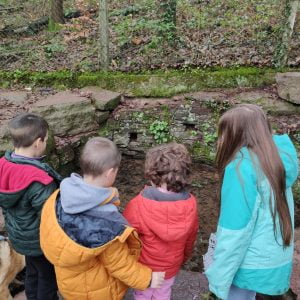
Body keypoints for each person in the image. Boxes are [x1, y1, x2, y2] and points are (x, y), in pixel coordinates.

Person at [40, 137, 165, 300]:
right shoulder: (105, 227)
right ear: (110, 173)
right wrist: (148, 279)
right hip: (96, 291)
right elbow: (121, 266)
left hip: (69, 285)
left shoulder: (57, 197)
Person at [205, 104, 298, 300]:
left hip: (248, 267)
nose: (219, 140)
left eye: (222, 133)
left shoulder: (240, 168)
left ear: (234, 135)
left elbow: (235, 232)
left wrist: (218, 279)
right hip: (275, 262)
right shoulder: (276, 159)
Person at [123, 142, 199, 300]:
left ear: (152, 174)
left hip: (144, 268)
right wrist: (184, 257)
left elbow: (126, 236)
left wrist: (129, 263)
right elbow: (191, 237)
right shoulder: (191, 204)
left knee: (142, 294)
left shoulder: (137, 205)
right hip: (171, 266)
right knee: (164, 292)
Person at [0, 113, 62, 300]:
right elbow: (50, 214)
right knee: (47, 277)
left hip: (18, 236)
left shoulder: (3, 164)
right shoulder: (38, 180)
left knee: (33, 271)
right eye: (46, 139)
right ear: (38, 142)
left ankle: (32, 296)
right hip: (40, 242)